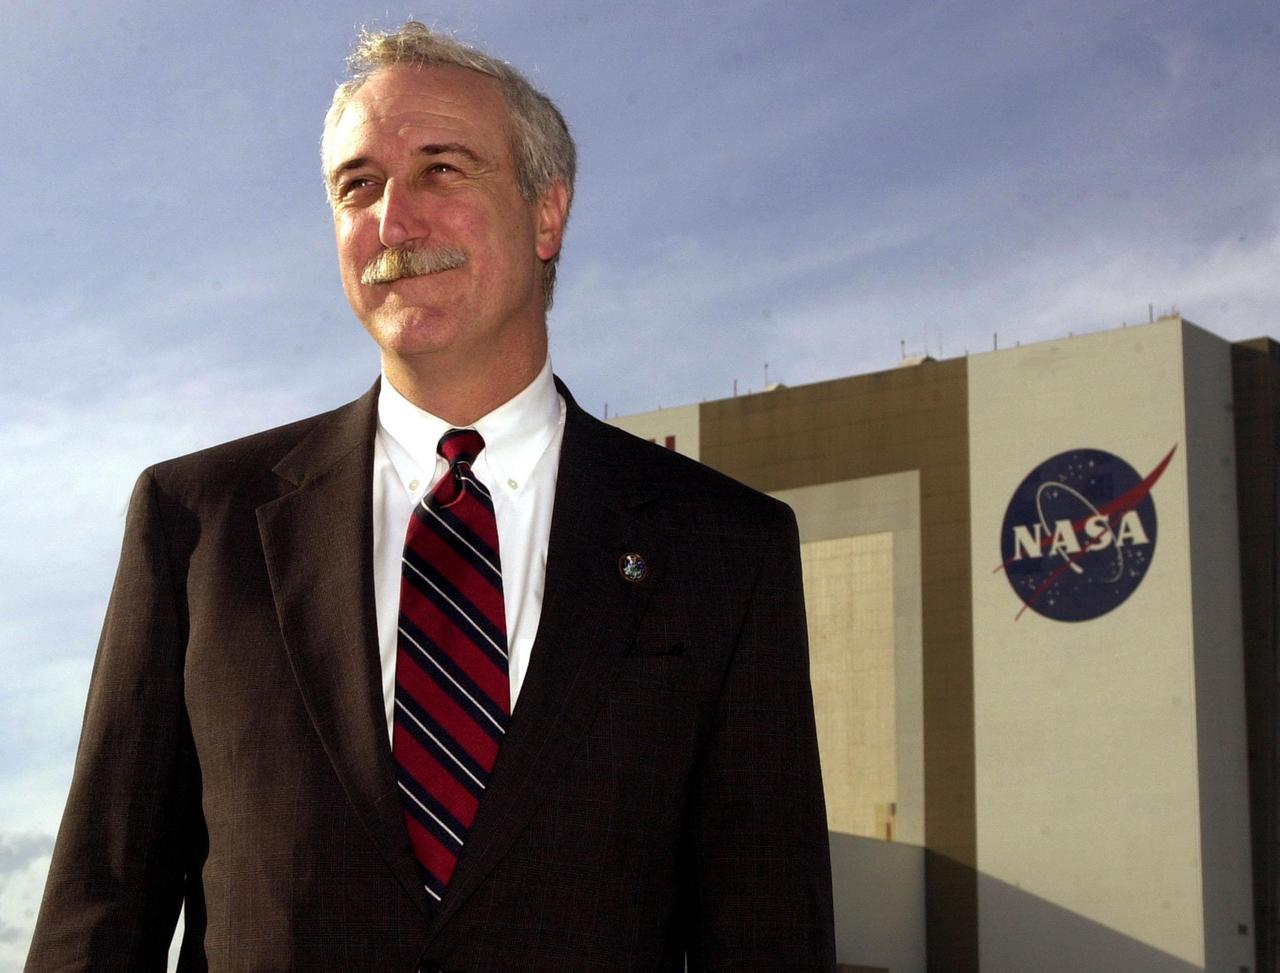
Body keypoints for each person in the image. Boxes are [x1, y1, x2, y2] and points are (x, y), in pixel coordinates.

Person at [27, 21, 835, 971]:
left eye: (443, 169)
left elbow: (768, 931)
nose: (393, 222)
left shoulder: (724, 548)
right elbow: (100, 908)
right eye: (356, 186)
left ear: (547, 214)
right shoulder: (196, 527)